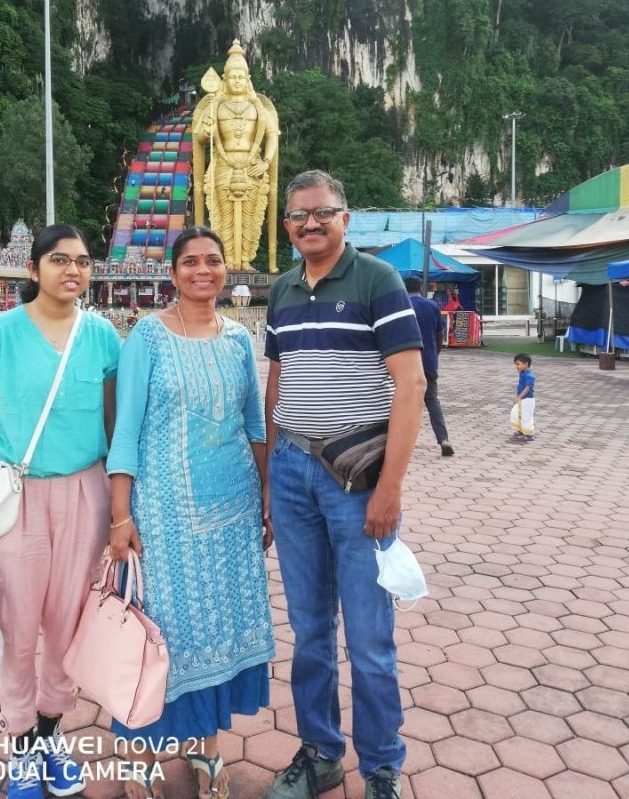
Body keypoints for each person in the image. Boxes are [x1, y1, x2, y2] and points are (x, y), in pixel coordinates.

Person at [0, 224, 122, 799]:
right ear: (33, 269)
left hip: (86, 494)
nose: (73, 271)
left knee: (66, 627)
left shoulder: (103, 335)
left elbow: (115, 431)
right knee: (17, 628)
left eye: (84, 262)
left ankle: (50, 733)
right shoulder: (1, 334)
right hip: (16, 498)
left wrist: (121, 510)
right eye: (59, 260)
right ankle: (19, 747)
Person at [264, 171, 426, 799]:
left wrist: (391, 488)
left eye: (322, 213)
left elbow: (410, 387)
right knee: (307, 632)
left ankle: (382, 765)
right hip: (294, 472)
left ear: (345, 218)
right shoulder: (280, 290)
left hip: (356, 481)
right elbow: (277, 384)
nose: (311, 224)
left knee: (368, 636)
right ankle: (322, 752)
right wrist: (270, 483)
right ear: (287, 226)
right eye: (299, 216)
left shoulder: (376, 280)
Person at [107, 226, 274, 799]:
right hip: (165, 516)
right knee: (162, 638)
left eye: (213, 261)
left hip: (232, 511)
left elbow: (254, 425)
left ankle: (207, 754)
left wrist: (268, 498)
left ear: (226, 270)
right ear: (173, 273)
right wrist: (120, 517)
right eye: (191, 262)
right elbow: (125, 430)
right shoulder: (147, 338)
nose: (204, 270)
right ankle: (138, 760)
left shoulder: (236, 340)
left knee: (218, 633)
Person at [192, 40, 279, 271]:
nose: (237, 81)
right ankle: (227, 260)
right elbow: (199, 138)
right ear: (226, 79)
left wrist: (266, 163)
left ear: (247, 78)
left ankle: (246, 260)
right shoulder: (216, 106)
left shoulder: (257, 107)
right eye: (233, 77)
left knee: (251, 218)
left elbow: (272, 135)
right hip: (223, 165)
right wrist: (208, 128)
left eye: (241, 76)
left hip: (252, 166)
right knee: (223, 217)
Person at [404, 276, 454, 457]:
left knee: (402, 403)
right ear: (420, 287)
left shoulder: (400, 305)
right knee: (432, 401)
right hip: (429, 361)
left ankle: (400, 443)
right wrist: (435, 354)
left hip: (405, 364)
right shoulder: (432, 306)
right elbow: (440, 333)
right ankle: (443, 439)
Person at [510, 352, 536, 441]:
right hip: (521, 399)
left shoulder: (530, 376)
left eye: (518, 364)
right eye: (515, 364)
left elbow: (527, 388)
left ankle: (529, 434)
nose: (516, 366)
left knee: (526, 416)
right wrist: (517, 396)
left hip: (527, 400)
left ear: (526, 364)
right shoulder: (522, 373)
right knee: (516, 413)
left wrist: (519, 397)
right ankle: (520, 431)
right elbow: (520, 386)